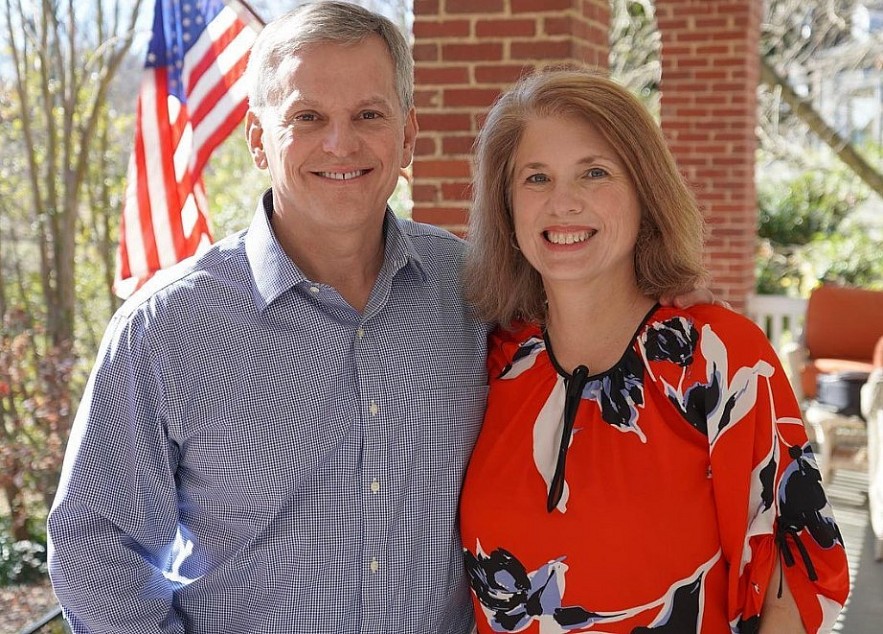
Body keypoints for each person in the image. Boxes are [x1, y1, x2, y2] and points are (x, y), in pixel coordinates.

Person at [47, 3, 712, 632]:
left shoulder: (480, 290)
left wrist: (661, 303)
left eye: (368, 114)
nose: (340, 143)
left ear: (407, 136)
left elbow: (595, 321)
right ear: (258, 139)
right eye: (307, 117)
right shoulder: (167, 328)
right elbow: (95, 543)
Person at [458, 67, 850, 634]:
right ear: (507, 207)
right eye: (536, 178)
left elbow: (797, 575)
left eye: (594, 173)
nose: (563, 202)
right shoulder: (493, 358)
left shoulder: (715, 359)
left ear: (645, 191)